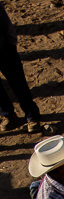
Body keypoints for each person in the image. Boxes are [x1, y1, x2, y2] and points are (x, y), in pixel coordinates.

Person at [0, 2, 41, 133]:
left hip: (4, 48)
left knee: (18, 82)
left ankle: (32, 116)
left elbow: (4, 20)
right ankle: (7, 114)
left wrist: (11, 43)